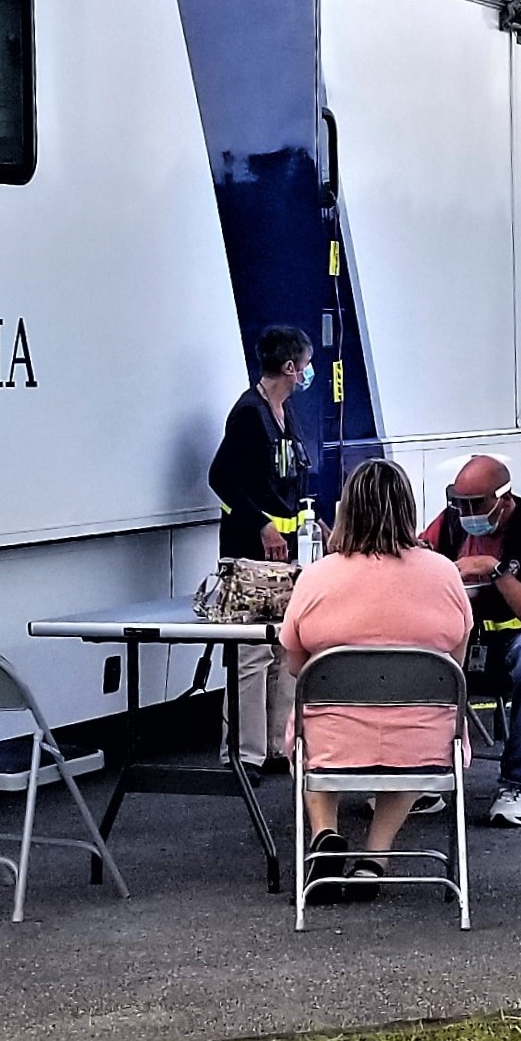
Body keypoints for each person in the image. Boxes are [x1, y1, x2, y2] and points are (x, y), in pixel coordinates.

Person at [278, 459, 473, 884]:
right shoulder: (443, 573)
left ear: (347, 509)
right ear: (407, 508)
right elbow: (453, 666)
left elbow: (297, 666)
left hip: (333, 742)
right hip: (422, 743)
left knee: (311, 716)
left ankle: (325, 834)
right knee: (424, 725)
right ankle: (376, 856)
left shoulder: (317, 577)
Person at [421, 454, 521, 827]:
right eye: (459, 503)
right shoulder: (450, 525)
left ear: (503, 499)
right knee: (405, 646)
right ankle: (423, 777)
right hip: (459, 641)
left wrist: (496, 572)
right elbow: (418, 557)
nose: (466, 512)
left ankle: (518, 782)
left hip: (513, 647)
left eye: (475, 505)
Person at [207, 323, 313, 765]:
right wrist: (262, 524)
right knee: (250, 653)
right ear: (289, 366)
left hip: (286, 552)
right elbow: (221, 478)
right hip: (250, 553)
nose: (308, 374)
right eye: (305, 365)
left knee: (284, 646)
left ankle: (277, 743)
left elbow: (292, 480)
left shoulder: (286, 414)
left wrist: (313, 522)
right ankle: (245, 751)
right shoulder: (249, 414)